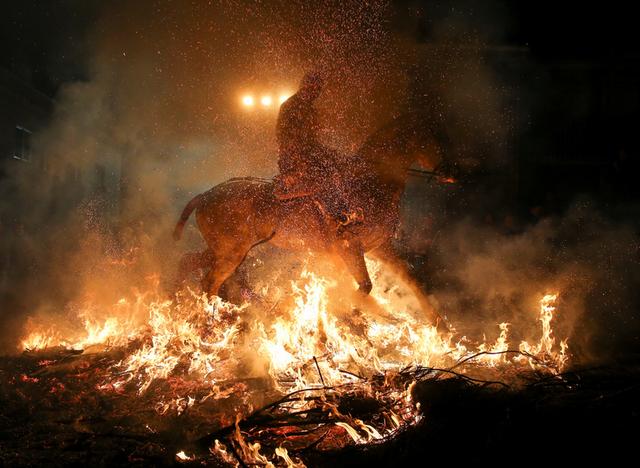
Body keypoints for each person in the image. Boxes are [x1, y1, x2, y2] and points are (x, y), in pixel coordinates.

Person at [275, 71, 337, 199]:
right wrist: (300, 159)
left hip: (308, 152)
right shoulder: (290, 105)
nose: (315, 92)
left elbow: (312, 137)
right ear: (304, 86)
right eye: (312, 88)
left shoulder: (311, 109)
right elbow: (284, 136)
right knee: (325, 169)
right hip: (293, 155)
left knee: (336, 161)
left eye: (318, 89)